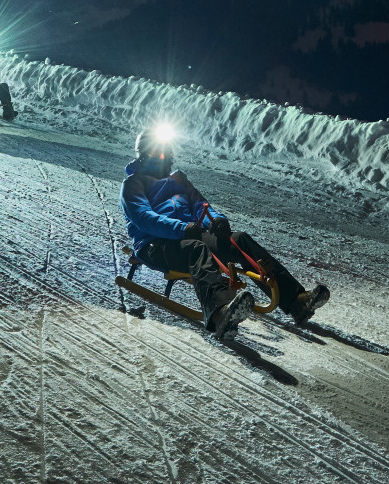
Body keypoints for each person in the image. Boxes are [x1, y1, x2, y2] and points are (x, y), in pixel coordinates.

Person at [120, 125, 328, 340]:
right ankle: (220, 313)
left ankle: (295, 300)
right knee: (197, 250)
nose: (164, 157)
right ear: (144, 156)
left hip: (188, 234)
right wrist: (182, 228)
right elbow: (144, 218)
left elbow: (201, 205)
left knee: (239, 240)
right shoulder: (133, 184)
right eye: (157, 153)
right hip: (154, 244)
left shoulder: (178, 179)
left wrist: (217, 220)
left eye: (166, 152)